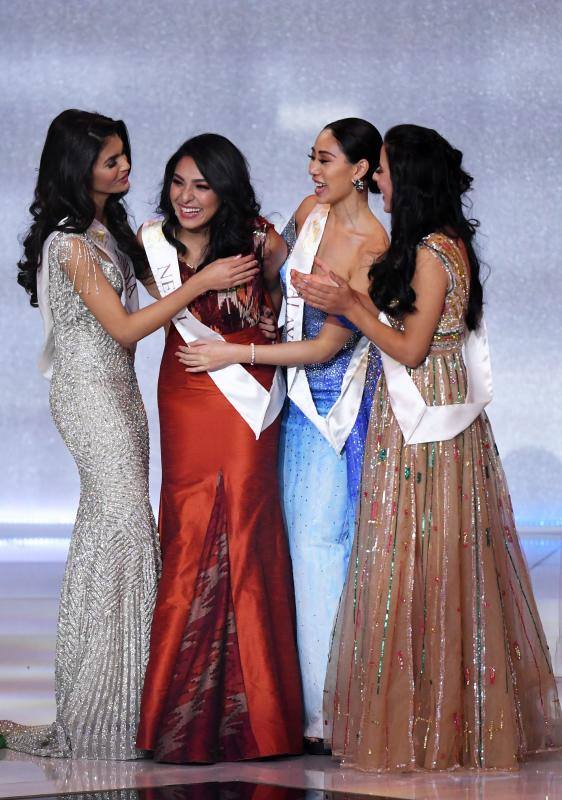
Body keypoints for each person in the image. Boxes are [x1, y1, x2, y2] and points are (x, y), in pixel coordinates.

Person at [293, 124, 562, 770]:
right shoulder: (438, 244)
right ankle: (438, 715)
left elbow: (411, 349)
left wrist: (349, 304)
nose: (378, 181)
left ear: (406, 178)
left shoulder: (433, 251)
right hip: (427, 416)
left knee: (423, 569)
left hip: (427, 425)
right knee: (434, 569)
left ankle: (434, 727)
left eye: (383, 171)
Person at [1, 110, 258, 760]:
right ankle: (101, 715)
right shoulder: (68, 244)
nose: (126, 170)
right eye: (113, 160)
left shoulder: (107, 231)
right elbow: (123, 327)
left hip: (120, 395)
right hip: (90, 396)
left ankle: (117, 701)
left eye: (123, 158)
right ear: (79, 166)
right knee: (122, 530)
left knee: (116, 532)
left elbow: (167, 290)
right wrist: (201, 281)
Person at [177, 119, 388, 752]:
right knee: (291, 548)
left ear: (360, 170)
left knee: (323, 549)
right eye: (311, 157)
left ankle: (330, 715)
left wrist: (235, 354)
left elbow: (328, 345)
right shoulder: (310, 214)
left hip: (331, 412)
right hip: (284, 401)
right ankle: (293, 699)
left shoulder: (374, 245)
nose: (312, 170)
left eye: (325, 160)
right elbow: (268, 275)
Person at [135, 133, 303, 763]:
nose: (187, 196)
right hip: (185, 393)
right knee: (187, 533)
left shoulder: (260, 238)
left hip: (248, 401)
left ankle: (259, 719)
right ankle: (176, 716)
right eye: (178, 182)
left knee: (246, 531)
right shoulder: (151, 241)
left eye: (202, 185)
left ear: (226, 187)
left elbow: (294, 311)